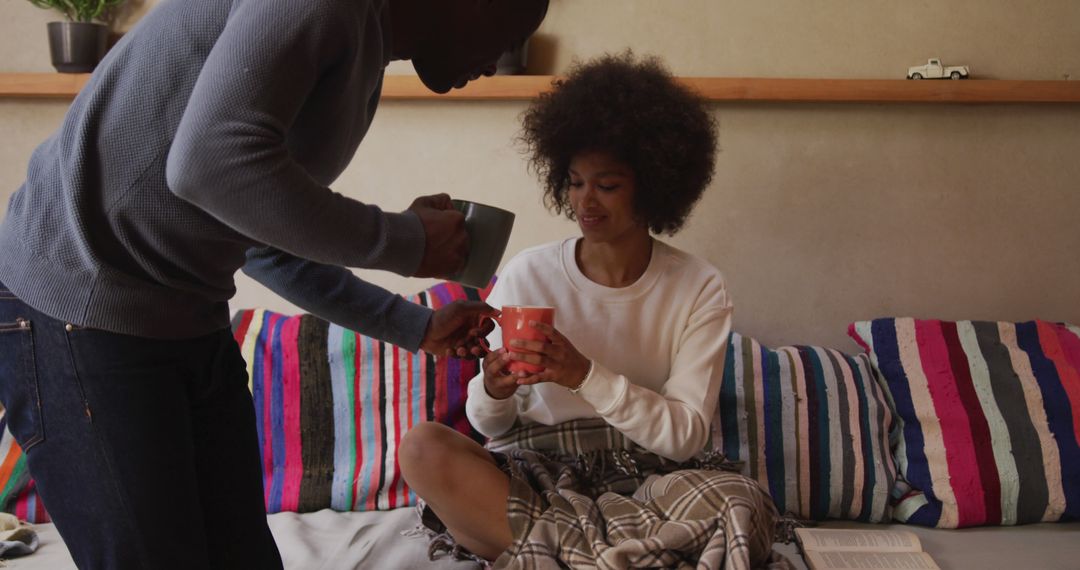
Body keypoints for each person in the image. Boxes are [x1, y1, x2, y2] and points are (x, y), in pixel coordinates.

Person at [0, 0, 549, 568]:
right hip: (80, 304)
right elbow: (207, 164)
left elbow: (261, 241)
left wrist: (415, 324)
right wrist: (404, 241)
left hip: (185, 319)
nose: (500, 57)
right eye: (511, 27)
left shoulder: (362, 47)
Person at [400, 54, 788, 569]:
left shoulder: (699, 286)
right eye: (576, 182)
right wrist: (493, 388)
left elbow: (686, 436)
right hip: (536, 472)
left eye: (607, 185)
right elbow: (492, 425)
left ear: (653, 187)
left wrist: (585, 375)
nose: (586, 201)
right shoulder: (527, 273)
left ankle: (557, 556)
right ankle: (621, 558)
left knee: (741, 505)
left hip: (650, 480)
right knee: (423, 447)